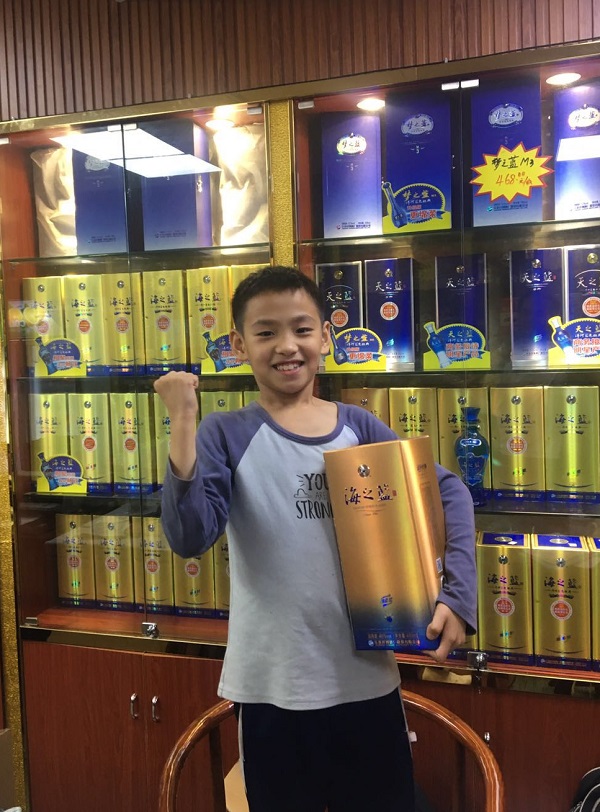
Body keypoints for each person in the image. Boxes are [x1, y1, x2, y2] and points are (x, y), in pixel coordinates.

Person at [155, 265, 477, 812]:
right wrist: (183, 420)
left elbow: (447, 490)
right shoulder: (226, 433)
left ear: (325, 337)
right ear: (239, 344)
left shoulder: (359, 427)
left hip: (367, 682)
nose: (287, 346)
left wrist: (459, 595)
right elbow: (190, 536)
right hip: (271, 689)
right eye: (266, 332)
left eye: (302, 329)